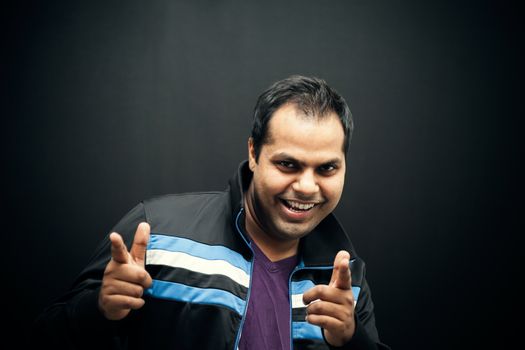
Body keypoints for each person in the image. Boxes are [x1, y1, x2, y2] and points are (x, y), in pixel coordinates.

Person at [33, 75, 390, 350]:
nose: (307, 187)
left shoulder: (346, 278)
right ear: (254, 153)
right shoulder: (156, 233)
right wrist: (98, 309)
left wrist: (351, 340)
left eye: (327, 169)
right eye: (288, 164)